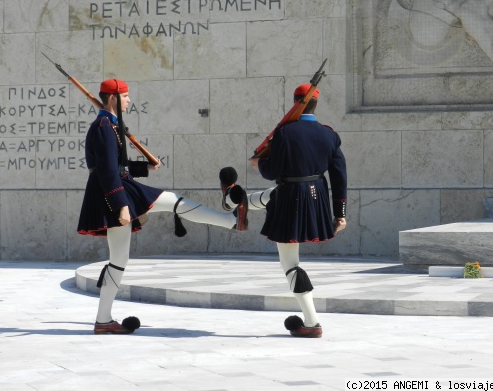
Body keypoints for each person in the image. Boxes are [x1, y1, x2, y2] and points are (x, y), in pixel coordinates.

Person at [77, 78, 248, 335]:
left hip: (117, 187)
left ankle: (103, 320)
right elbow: (105, 169)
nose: (129, 100)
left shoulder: (109, 124)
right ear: (112, 99)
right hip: (114, 190)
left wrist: (144, 167)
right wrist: (121, 204)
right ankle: (231, 220)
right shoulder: (103, 125)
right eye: (125, 96)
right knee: (172, 201)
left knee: (119, 259)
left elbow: (118, 164)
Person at [221, 83, 347, 338]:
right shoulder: (329, 134)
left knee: (290, 262)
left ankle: (312, 322)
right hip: (317, 196)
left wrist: (260, 162)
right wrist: (340, 213)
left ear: (294, 102)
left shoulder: (285, 133)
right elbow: (339, 175)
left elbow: (272, 172)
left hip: (291, 195)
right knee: (271, 198)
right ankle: (238, 203)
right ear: (316, 104)